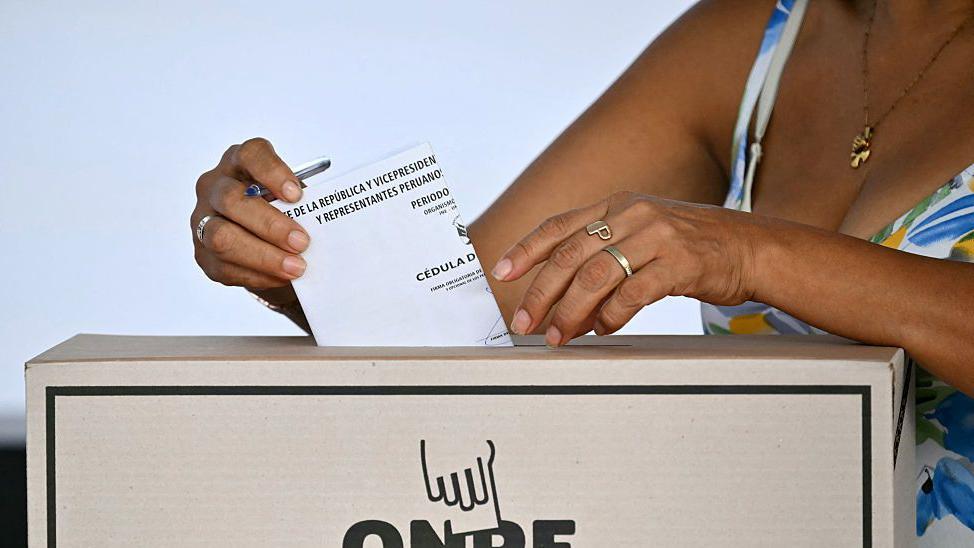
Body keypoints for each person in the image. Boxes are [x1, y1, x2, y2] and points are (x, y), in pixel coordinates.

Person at [190, 0, 974, 542]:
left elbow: (737, 249)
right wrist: (292, 260)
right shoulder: (756, 36)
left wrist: (749, 251)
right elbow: (483, 307)